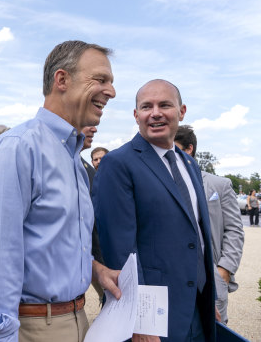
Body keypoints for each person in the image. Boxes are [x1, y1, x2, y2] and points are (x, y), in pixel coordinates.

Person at [0, 40, 121, 342]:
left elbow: (50, 241)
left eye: (111, 82)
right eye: (101, 79)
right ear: (62, 80)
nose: (111, 91)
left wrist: (95, 271)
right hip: (34, 327)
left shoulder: (73, 159)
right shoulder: (19, 148)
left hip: (75, 320)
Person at [93, 79, 216, 341]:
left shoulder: (189, 164)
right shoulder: (118, 163)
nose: (155, 113)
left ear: (181, 112)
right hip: (154, 322)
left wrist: (207, 297)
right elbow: (120, 252)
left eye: (165, 105)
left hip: (196, 309)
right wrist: (139, 321)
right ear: (136, 115)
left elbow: (197, 237)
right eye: (146, 106)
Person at [174, 125, 244, 324]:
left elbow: (234, 229)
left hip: (212, 275)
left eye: (174, 148)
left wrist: (224, 270)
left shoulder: (219, 185)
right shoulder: (161, 182)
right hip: (175, 274)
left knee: (213, 330)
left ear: (189, 149)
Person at [80, 126, 105, 300]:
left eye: (101, 158)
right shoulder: (83, 167)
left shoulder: (88, 170)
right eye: (95, 159)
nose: (98, 162)